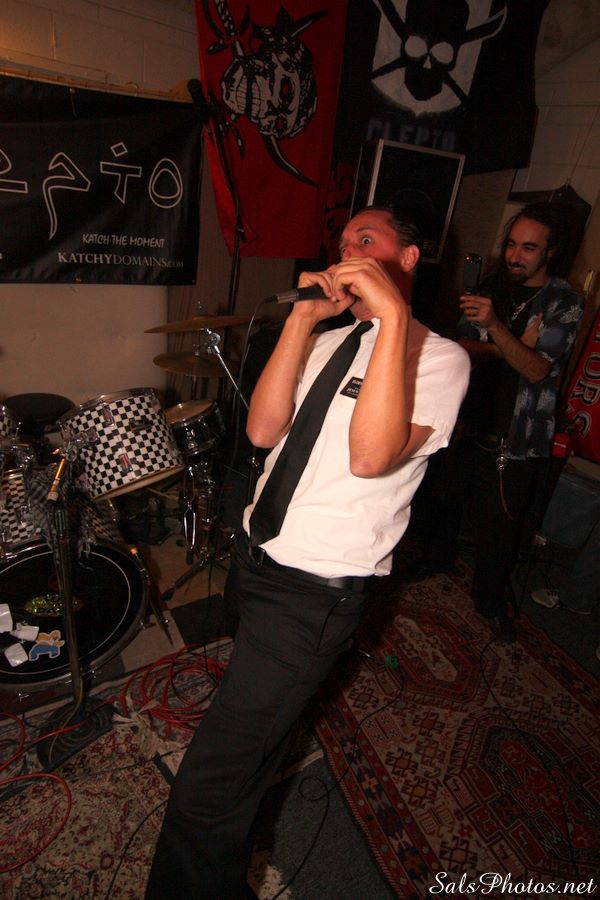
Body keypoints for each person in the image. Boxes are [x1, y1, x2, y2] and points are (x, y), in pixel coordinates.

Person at [144, 206, 470, 899]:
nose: (346, 251)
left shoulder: (439, 358)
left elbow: (371, 456)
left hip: (312, 591)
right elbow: (263, 432)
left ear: (408, 258)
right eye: (343, 241)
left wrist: (390, 319)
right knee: (252, 743)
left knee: (208, 783)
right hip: (260, 554)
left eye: (366, 239)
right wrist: (301, 322)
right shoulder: (328, 341)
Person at [410, 203, 583, 644]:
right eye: (511, 244)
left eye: (529, 248)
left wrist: (496, 330)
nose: (514, 256)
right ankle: (437, 560)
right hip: (468, 419)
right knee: (444, 502)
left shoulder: (563, 301)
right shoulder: (492, 287)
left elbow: (536, 369)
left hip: (515, 436)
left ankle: (489, 602)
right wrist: (509, 343)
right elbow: (458, 347)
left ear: (550, 252)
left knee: (499, 527)